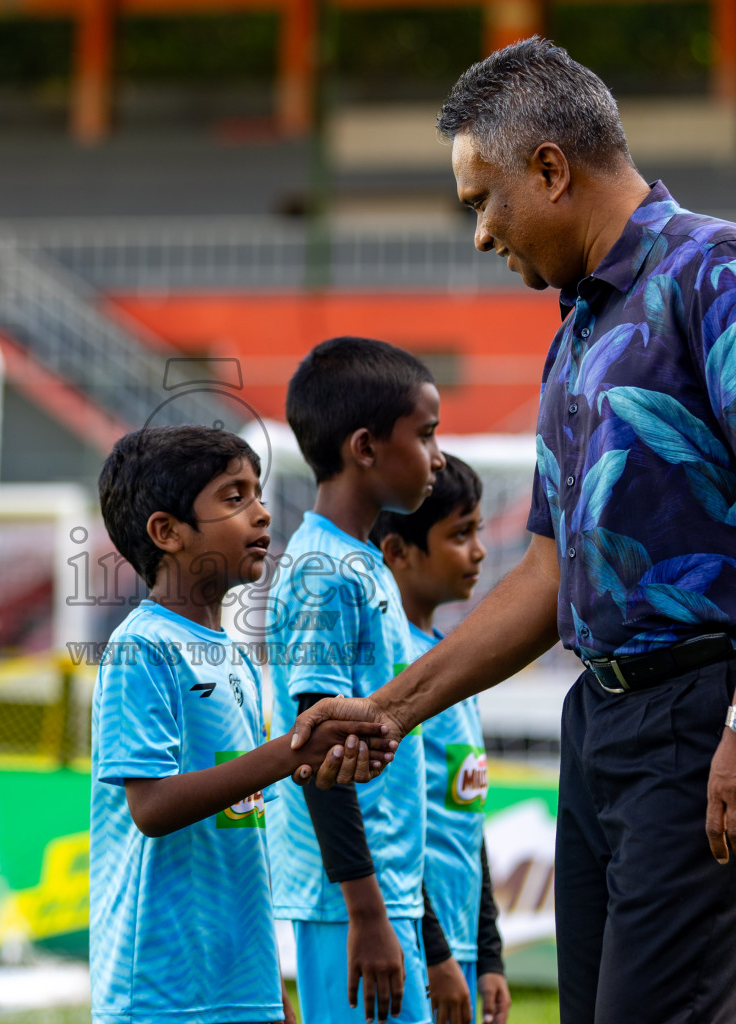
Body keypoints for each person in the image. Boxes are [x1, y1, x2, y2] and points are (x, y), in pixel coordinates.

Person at [290, 38, 736, 1024]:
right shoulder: (578, 332)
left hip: (715, 706)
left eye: (481, 200)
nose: (480, 235)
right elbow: (548, 572)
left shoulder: (724, 275)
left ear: (550, 169)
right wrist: (389, 708)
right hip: (607, 716)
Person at [89, 424, 391, 1024]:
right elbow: (150, 808)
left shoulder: (233, 655)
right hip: (160, 989)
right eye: (234, 497)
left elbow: (242, 819)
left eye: (259, 494)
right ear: (166, 531)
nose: (260, 514)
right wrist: (293, 753)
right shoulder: (142, 647)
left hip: (237, 980)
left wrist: (266, 986)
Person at [269, 337, 449, 1024]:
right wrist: (365, 912)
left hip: (386, 890)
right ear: (366, 447)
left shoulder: (363, 561)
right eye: (427, 435)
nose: (437, 457)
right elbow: (316, 750)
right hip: (346, 901)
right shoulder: (323, 572)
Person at [369, 456, 509, 1024]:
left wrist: (489, 956)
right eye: (459, 534)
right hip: (411, 946)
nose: (478, 551)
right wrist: (436, 952)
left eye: (478, 531)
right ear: (397, 552)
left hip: (460, 952)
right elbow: (388, 824)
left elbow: (465, 825)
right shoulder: (389, 665)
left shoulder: (454, 660)